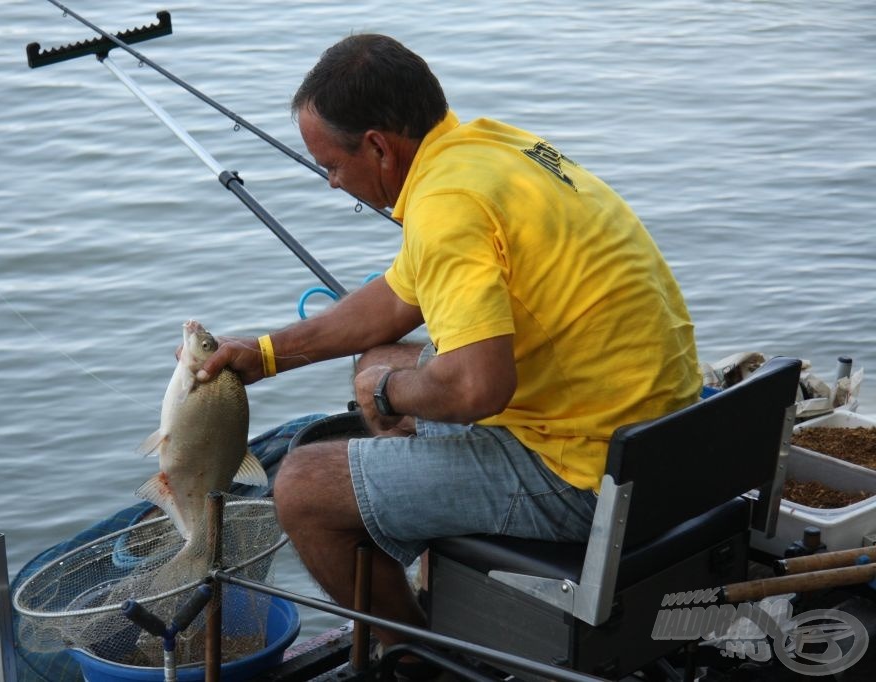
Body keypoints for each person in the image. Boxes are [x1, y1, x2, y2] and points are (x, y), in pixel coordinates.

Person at [196, 33, 701, 668]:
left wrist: (383, 390)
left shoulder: (445, 206)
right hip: (668, 440)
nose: (330, 183)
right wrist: (267, 354)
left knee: (300, 486)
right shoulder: (492, 147)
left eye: (331, 164)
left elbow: (475, 389)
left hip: (586, 476)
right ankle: (421, 537)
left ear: (378, 146)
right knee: (380, 358)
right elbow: (393, 299)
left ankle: (421, 655)